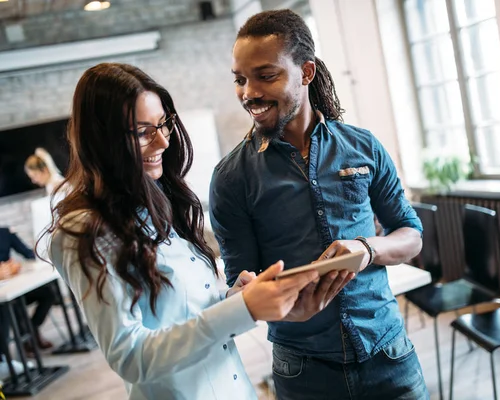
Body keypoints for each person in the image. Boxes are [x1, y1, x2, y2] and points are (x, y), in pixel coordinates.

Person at [45, 63, 320, 400]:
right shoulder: (84, 231)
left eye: (164, 124)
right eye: (143, 131)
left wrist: (236, 299)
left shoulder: (155, 202)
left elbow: (182, 318)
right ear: (103, 140)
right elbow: (130, 356)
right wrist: (241, 310)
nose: (162, 140)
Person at [210, 9, 428, 399]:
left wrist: (366, 249)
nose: (248, 92)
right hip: (303, 372)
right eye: (240, 80)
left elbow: (411, 236)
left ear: (306, 72)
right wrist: (250, 297)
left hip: (389, 354)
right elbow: (237, 283)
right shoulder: (231, 178)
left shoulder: (363, 147)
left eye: (265, 75)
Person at [0, 227, 55, 353]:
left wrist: (17, 266)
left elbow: (28, 253)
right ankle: (26, 340)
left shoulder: (5, 233)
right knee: (14, 305)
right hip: (4, 296)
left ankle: (33, 328)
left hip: (15, 285)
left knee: (49, 292)